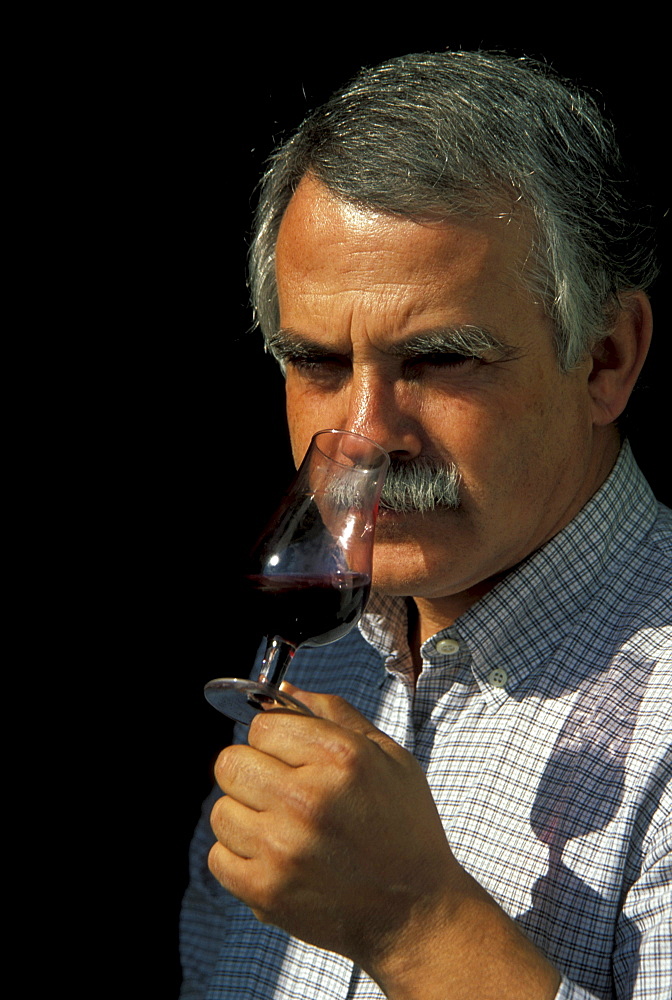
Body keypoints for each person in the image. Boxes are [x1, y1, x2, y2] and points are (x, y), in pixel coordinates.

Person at [180, 51, 671, 999]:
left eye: (440, 361)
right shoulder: (326, 652)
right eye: (317, 363)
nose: (365, 436)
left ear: (607, 357)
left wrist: (419, 929)